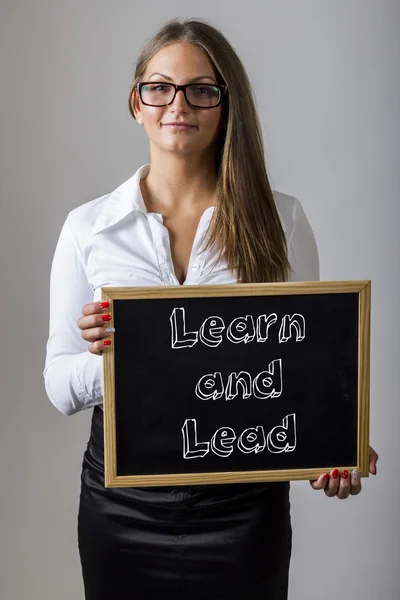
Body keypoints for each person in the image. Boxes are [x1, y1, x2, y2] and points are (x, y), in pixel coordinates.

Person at [44, 17, 378, 600]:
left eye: (202, 89)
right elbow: (57, 382)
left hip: (243, 510)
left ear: (227, 106)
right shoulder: (88, 228)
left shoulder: (282, 219)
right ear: (136, 103)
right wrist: (114, 359)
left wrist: (333, 447)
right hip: (120, 506)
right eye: (160, 87)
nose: (178, 104)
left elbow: (303, 373)